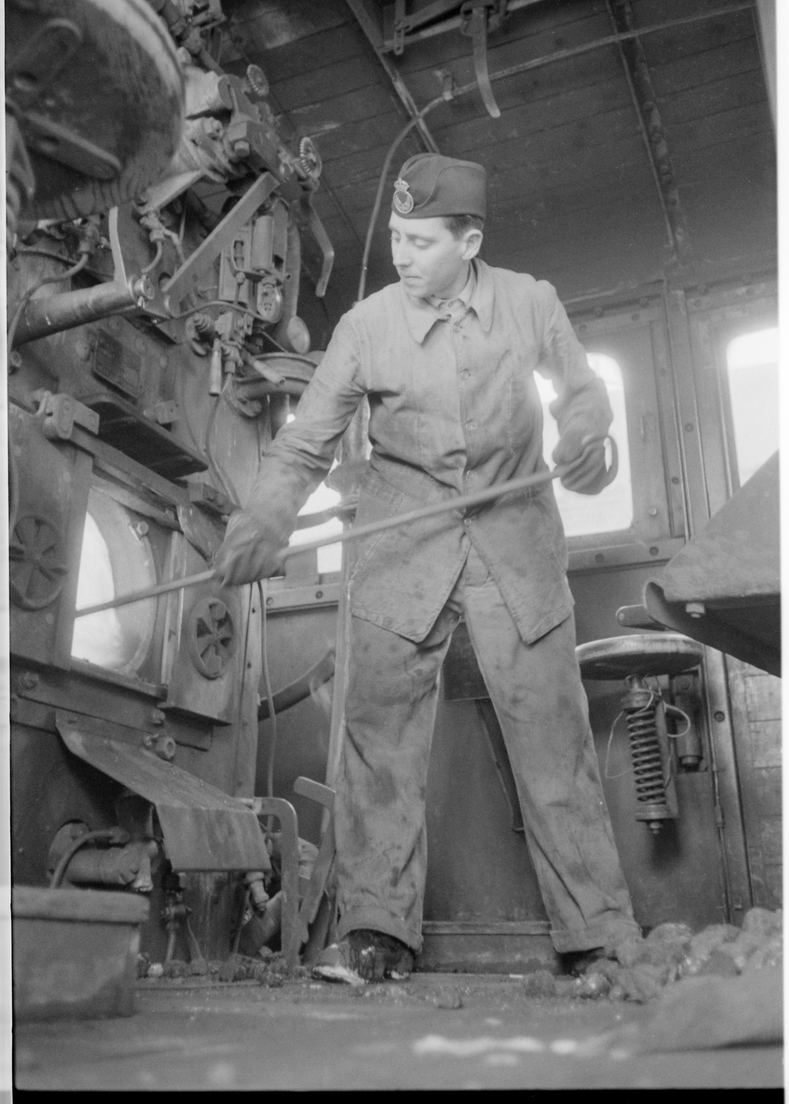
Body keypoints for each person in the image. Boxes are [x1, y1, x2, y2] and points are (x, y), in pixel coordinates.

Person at [215, 154, 641, 983]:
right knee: (379, 743)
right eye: (395, 237)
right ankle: (376, 936)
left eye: (419, 241)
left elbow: (583, 394)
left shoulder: (529, 302)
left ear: (468, 241)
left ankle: (597, 936)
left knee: (552, 737)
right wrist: (265, 517)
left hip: (513, 541)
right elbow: (304, 445)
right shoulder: (365, 326)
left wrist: (587, 440)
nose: (400, 255)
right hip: (402, 544)